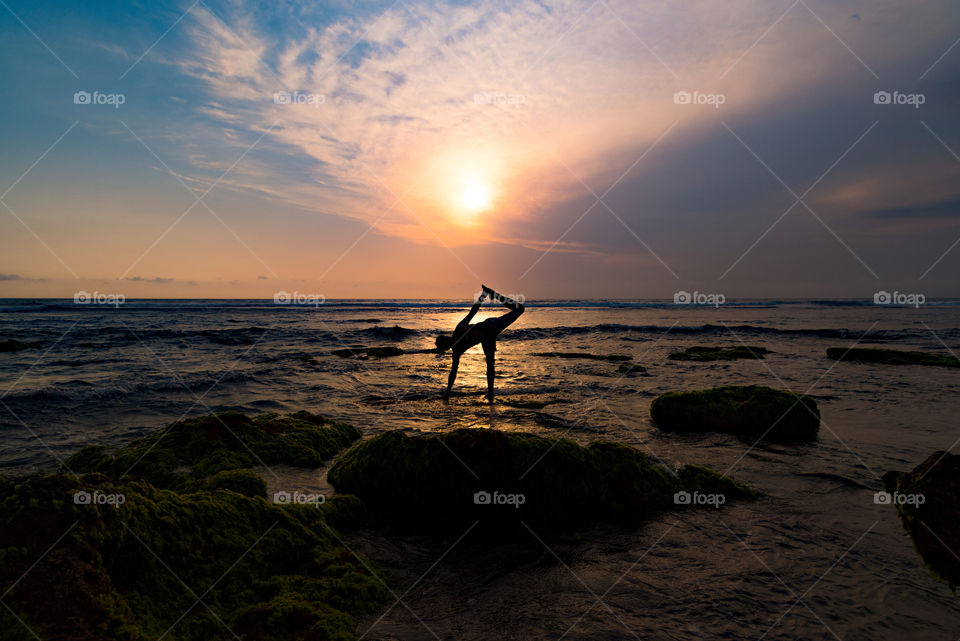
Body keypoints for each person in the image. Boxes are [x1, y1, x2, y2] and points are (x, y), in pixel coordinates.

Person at [436, 285, 525, 403]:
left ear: (447, 337)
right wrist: (447, 393)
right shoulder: (457, 351)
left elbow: (473, 312)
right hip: (487, 339)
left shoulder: (458, 329)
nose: (451, 342)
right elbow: (453, 372)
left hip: (491, 326)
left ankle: (495, 295)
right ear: (448, 348)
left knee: (520, 309)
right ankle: (491, 392)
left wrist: (482, 296)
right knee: (490, 363)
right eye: (449, 344)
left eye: (448, 340)